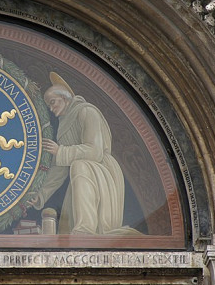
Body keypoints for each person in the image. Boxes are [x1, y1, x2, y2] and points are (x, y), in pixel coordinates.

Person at [26, 72, 139, 235]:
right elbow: (60, 168)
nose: (51, 108)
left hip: (101, 172)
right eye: (49, 105)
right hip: (81, 177)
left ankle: (86, 229)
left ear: (64, 98)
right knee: (77, 168)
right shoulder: (64, 127)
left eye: (53, 102)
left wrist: (60, 151)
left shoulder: (87, 112)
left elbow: (95, 151)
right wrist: (41, 195)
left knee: (79, 166)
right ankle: (82, 231)